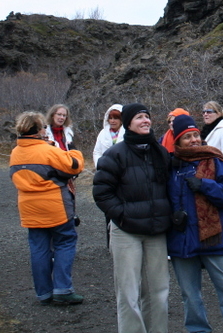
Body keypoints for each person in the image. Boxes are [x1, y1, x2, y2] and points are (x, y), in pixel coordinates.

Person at [93, 103, 171, 333]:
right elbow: (101, 192)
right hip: (126, 232)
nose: (146, 120)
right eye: (139, 117)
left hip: (156, 231)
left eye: (147, 116)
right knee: (128, 294)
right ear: (128, 123)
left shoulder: (160, 153)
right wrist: (123, 215)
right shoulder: (114, 155)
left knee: (159, 291)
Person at [167, 115, 223, 333]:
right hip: (181, 238)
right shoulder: (170, 165)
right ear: (177, 141)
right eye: (187, 137)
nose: (194, 140)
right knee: (189, 294)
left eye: (196, 135)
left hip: (213, 237)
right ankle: (198, 330)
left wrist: (204, 185)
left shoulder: (214, 160)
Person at [9, 111, 85, 305]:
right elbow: (74, 166)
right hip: (56, 206)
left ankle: (43, 293)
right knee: (65, 242)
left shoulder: (15, 153)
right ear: (38, 130)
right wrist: (74, 151)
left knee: (39, 248)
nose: (45, 130)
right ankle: (62, 289)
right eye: (43, 127)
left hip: (29, 208)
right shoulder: (48, 151)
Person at [93, 104, 124, 169]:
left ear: (121, 120)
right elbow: (97, 152)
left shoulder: (128, 133)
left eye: (116, 118)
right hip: (106, 169)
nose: (112, 121)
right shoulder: (103, 133)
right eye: (110, 118)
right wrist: (99, 165)